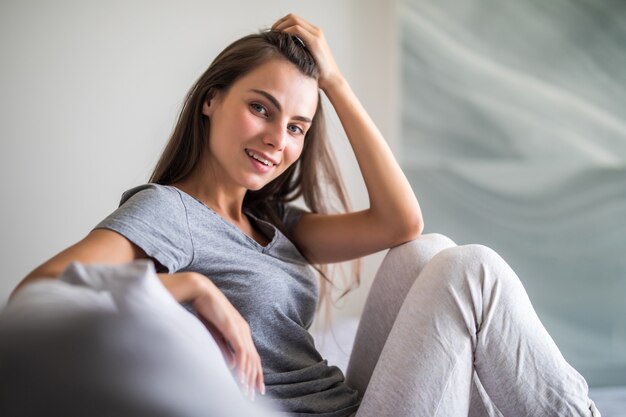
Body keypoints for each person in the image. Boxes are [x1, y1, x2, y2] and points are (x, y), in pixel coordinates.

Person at [8, 13, 600, 417]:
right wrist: (189, 286)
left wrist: (336, 83)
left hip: (349, 402)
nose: (277, 139)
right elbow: (36, 296)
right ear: (212, 100)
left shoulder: (274, 221)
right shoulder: (167, 212)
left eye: (296, 127)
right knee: (469, 270)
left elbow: (401, 224)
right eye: (260, 109)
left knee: (429, 252)